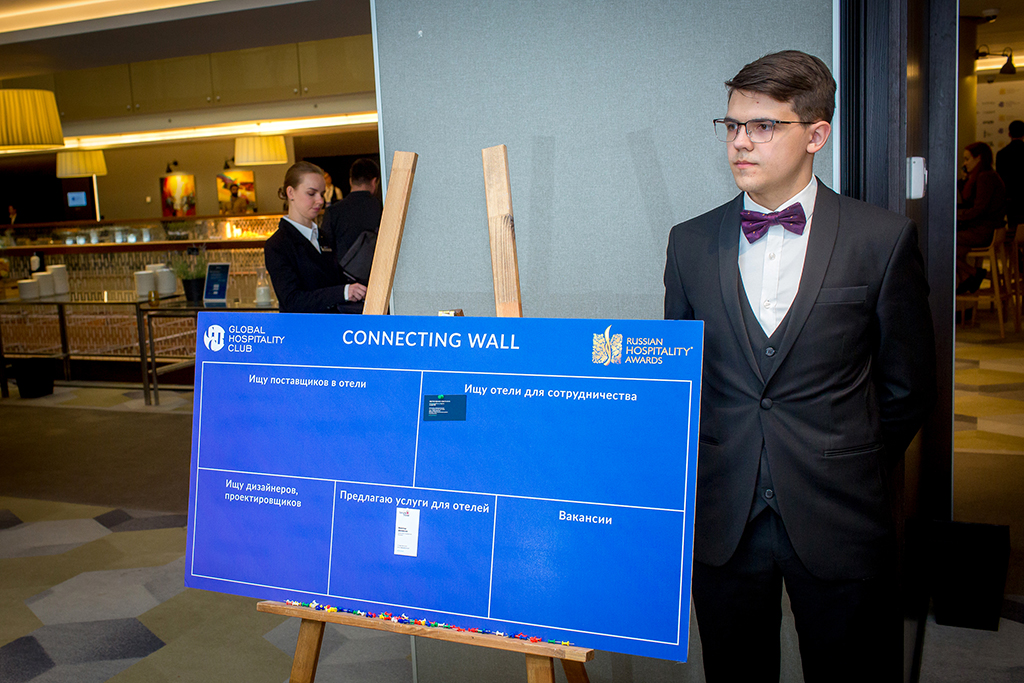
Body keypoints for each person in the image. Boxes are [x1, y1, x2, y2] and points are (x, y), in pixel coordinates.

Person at [663, 50, 935, 682]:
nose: (740, 142)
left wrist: (848, 457)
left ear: (816, 135)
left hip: (839, 512)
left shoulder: (881, 238)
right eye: (732, 125)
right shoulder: (689, 242)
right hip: (725, 516)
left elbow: (907, 387)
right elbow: (683, 380)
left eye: (763, 126)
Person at [263, 161, 366, 313]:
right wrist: (343, 292)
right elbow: (292, 301)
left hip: (334, 324)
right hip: (303, 327)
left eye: (322, 194)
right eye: (311, 194)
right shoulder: (277, 245)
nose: (320, 201)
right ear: (290, 193)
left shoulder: (323, 237)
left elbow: (337, 280)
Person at [956, 142, 1006, 294]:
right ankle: (967, 277)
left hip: (984, 231)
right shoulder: (988, 175)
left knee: (943, 241)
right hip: (991, 228)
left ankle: (973, 273)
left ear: (978, 158)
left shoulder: (985, 177)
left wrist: (957, 217)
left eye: (967, 159)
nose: (964, 164)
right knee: (956, 249)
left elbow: (978, 209)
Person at [321, 158, 382, 282]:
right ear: (374, 181)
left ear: (350, 181)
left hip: (344, 284)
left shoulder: (333, 211)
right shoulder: (383, 208)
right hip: (377, 281)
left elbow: (325, 250)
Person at [996, 120, 1023, 232]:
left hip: (1010, 199)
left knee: (1013, 230)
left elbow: (1000, 179)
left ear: (1009, 134)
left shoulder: (1001, 154)